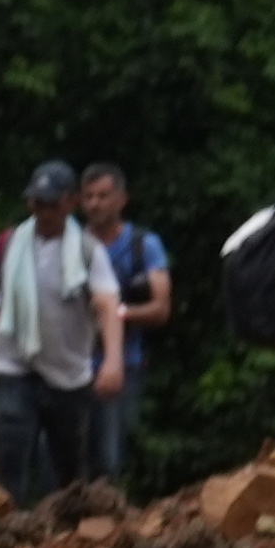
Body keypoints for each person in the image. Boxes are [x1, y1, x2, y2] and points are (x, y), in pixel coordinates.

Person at [0, 161, 120, 503]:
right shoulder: (7, 246)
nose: (43, 211)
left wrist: (113, 360)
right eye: (36, 203)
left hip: (68, 374)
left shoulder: (87, 251)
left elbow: (106, 306)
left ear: (70, 202)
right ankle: (7, 530)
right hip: (15, 366)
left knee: (67, 468)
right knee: (10, 452)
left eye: (51, 203)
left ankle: (68, 536)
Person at [82, 162, 169, 485]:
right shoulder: (72, 245)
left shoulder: (143, 245)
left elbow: (161, 307)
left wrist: (116, 314)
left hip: (124, 362)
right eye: (89, 196)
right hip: (71, 364)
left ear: (122, 199)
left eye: (103, 195)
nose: (95, 204)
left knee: (111, 457)